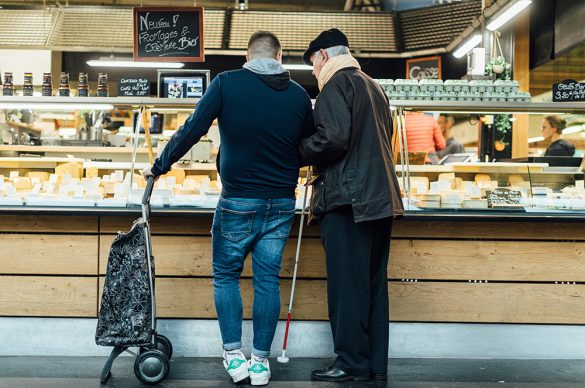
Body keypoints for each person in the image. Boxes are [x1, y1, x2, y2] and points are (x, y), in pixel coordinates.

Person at [143, 31, 314, 386]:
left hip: (238, 200)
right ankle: (261, 363)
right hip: (281, 201)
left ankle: (234, 355)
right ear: (280, 57)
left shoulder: (226, 83)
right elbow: (308, 146)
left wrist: (159, 166)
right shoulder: (299, 95)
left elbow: (192, 129)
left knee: (226, 276)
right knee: (268, 281)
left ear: (246, 57)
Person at [299, 28, 404, 382]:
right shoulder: (373, 85)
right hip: (381, 199)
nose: (314, 71)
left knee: (347, 287)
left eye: (313, 63)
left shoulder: (335, 85)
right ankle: (373, 363)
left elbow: (332, 140)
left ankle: (349, 363)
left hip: (349, 201)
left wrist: (298, 150)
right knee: (372, 284)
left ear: (324, 56)